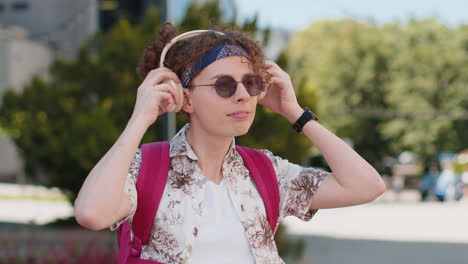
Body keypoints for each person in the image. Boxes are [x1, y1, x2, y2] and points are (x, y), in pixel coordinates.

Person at [74, 23, 386, 264]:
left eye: (250, 83)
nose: (242, 94)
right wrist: (140, 119)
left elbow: (366, 185)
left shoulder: (267, 172)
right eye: (223, 85)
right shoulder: (148, 168)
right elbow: (91, 213)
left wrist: (296, 113)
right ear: (186, 98)